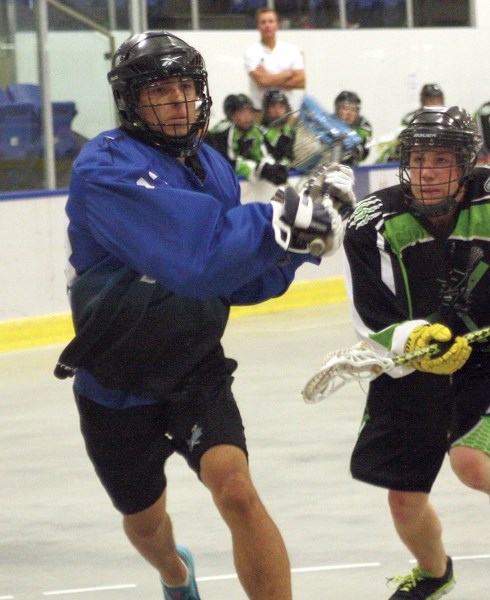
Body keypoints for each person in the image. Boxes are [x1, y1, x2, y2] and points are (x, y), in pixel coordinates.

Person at [54, 31, 355, 600]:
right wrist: (280, 220)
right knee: (146, 525)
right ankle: (174, 573)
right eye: (159, 90)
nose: (177, 101)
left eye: (186, 87)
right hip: (114, 378)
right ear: (130, 101)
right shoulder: (105, 168)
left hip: (194, 364)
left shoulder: (212, 166)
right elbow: (194, 259)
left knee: (236, 488)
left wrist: (302, 243)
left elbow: (233, 280)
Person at [342, 105, 490, 599]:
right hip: (411, 368)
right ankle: (435, 574)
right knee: (403, 502)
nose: (427, 172)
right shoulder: (371, 225)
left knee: (472, 464)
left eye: (441, 160)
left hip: (489, 350)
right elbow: (371, 317)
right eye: (417, 158)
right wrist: (412, 341)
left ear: (466, 164)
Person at [207, 92, 288, 184]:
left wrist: (273, 166)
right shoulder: (225, 132)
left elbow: (261, 155)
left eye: (250, 112)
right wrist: (259, 169)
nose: (247, 117)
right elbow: (230, 163)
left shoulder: (255, 131)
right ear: (232, 115)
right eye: (241, 112)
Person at [244, 8, 306, 112]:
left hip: (289, 112)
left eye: (271, 21)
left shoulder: (292, 50)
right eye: (263, 22)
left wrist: (269, 78)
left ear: (278, 25)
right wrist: (286, 75)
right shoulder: (251, 52)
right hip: (261, 112)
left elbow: (301, 82)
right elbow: (262, 81)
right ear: (258, 26)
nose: (267, 25)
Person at [333, 90, 373, 165]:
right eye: (345, 108)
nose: (349, 113)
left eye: (354, 110)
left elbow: (363, 153)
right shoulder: (329, 123)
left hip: (350, 169)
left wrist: (353, 148)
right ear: (337, 109)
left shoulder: (364, 126)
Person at [261, 88, 296, 168]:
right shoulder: (259, 132)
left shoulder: (291, 132)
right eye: (273, 107)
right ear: (266, 110)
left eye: (281, 107)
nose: (277, 111)